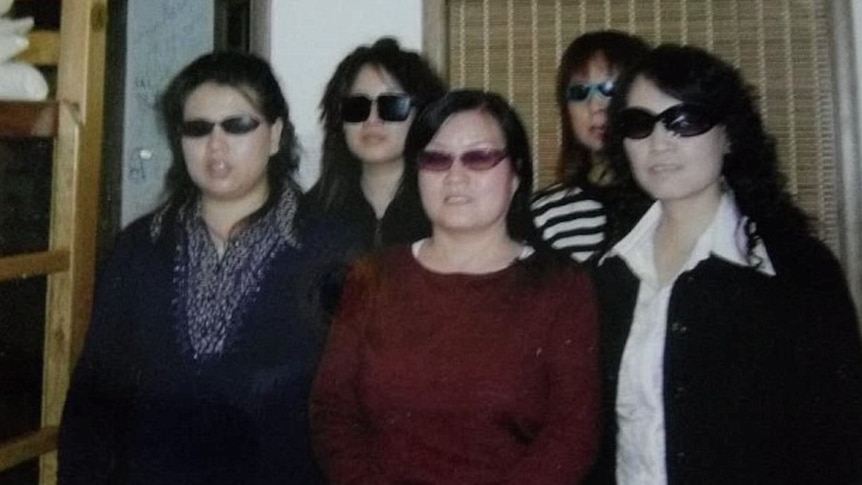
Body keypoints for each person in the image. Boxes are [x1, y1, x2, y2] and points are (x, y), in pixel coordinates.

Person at [590, 43, 862, 484]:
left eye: (685, 121)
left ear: (728, 134)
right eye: (639, 124)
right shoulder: (608, 273)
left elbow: (837, 442)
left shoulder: (796, 271)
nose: (660, 143)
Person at [58, 51, 329, 485]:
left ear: (275, 135)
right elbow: (96, 396)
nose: (216, 146)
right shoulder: (140, 246)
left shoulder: (328, 247)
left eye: (238, 126)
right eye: (197, 129)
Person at [310, 89, 601, 484]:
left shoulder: (561, 285)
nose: (455, 176)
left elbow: (572, 432)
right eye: (436, 158)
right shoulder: (372, 277)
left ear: (515, 174)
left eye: (479, 157)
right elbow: (333, 412)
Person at [301, 36, 447, 254]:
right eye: (357, 107)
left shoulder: (447, 210)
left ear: (423, 114)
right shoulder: (306, 217)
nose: (372, 119)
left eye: (392, 105)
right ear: (339, 121)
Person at [532, 30, 649, 263]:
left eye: (610, 90)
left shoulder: (674, 198)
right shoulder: (545, 213)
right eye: (579, 92)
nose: (596, 106)